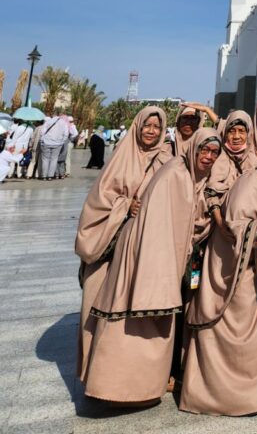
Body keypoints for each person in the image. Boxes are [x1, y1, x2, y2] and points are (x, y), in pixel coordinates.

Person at [82, 128, 222, 404]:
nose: (208, 156)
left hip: (162, 258)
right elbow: (159, 223)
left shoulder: (191, 176)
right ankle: (115, 388)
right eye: (204, 150)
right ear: (193, 148)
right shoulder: (176, 175)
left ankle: (144, 386)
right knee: (132, 324)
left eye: (214, 153)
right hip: (150, 260)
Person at [180, 139, 257, 415]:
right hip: (235, 271)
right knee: (235, 332)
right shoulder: (252, 184)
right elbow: (234, 228)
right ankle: (225, 397)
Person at [75, 106, 173, 379]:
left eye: (157, 127)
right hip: (111, 246)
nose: (152, 132)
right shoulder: (122, 156)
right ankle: (95, 372)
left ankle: (127, 376)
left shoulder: (165, 159)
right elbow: (97, 202)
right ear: (137, 127)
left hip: (144, 247)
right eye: (147, 126)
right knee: (98, 309)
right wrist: (124, 206)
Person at [205, 110, 257, 233]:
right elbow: (210, 194)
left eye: (241, 131)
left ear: (248, 133)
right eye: (231, 131)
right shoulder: (216, 158)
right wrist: (220, 223)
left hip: (246, 229)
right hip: (219, 228)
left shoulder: (254, 162)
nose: (236, 137)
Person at [38, 111, 72, 180]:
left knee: (45, 159)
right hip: (58, 144)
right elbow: (66, 134)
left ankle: (44, 175)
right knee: (54, 159)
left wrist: (43, 140)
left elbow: (42, 132)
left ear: (53, 115)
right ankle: (50, 176)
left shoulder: (49, 121)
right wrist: (62, 141)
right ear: (59, 115)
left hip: (46, 142)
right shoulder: (63, 123)